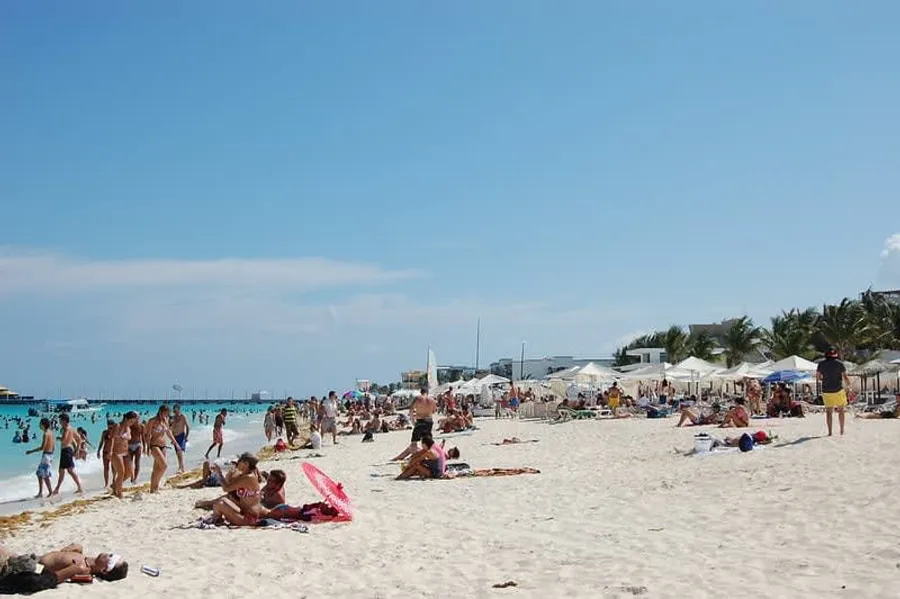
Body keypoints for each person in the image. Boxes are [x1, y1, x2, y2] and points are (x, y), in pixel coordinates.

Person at [0, 542, 128, 588]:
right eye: (112, 554)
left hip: (32, 567)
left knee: (6, 554)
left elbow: (55, 578)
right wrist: (77, 549)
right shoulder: (84, 559)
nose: (109, 554)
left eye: (110, 558)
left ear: (104, 570)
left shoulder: (83, 569)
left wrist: (73, 570)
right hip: (33, 558)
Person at [210, 452, 266, 526]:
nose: (237, 463)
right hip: (247, 513)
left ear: (246, 464)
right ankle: (217, 519)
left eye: (239, 461)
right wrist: (228, 473)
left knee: (218, 504)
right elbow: (229, 483)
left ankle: (217, 520)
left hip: (249, 518)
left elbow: (226, 488)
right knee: (223, 500)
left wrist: (219, 473)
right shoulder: (249, 475)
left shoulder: (248, 478)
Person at [392, 387, 437, 462]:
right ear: (427, 392)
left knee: (414, 441)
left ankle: (414, 458)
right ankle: (429, 456)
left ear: (421, 392)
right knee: (427, 440)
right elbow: (434, 411)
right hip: (429, 421)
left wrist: (413, 421)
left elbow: (411, 409)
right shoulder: (432, 400)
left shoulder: (418, 398)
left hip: (420, 421)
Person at [145, 405, 180, 493]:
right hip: (154, 445)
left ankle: (153, 488)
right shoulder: (152, 421)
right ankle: (155, 485)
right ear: (160, 411)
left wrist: (175, 443)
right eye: (165, 413)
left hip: (163, 446)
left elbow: (168, 433)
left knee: (157, 468)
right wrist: (147, 447)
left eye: (168, 413)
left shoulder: (165, 421)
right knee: (164, 465)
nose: (167, 415)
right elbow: (148, 435)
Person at [816, 348, 852, 436]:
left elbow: (817, 377)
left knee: (829, 412)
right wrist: (849, 385)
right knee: (841, 410)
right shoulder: (839, 363)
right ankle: (842, 430)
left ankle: (830, 432)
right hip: (838, 390)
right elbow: (845, 377)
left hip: (826, 390)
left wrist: (824, 379)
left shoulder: (821, 364)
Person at [51, 413, 83, 496]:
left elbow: (64, 440)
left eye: (60, 420)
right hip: (67, 450)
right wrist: (77, 449)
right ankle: (57, 489)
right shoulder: (71, 428)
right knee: (61, 471)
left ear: (64, 421)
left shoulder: (66, 429)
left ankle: (79, 487)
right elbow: (79, 438)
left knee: (70, 470)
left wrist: (59, 438)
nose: (59, 421)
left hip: (66, 450)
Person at [25, 418, 54, 498]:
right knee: (41, 474)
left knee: (43, 475)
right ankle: (42, 492)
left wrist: (31, 451)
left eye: (40, 424)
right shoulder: (51, 432)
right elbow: (53, 446)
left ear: (43, 425)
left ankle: (47, 492)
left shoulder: (45, 434)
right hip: (50, 455)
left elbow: (42, 447)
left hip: (46, 456)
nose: (39, 425)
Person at [111, 412, 138, 499]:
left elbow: (127, 439)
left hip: (125, 452)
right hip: (116, 452)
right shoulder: (118, 426)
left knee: (129, 473)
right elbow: (112, 439)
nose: (132, 423)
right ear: (126, 419)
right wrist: (110, 451)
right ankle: (119, 492)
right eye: (131, 421)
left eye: (133, 422)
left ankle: (115, 485)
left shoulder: (128, 428)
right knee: (121, 472)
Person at [95, 420, 116, 488]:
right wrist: (98, 451)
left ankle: (114, 480)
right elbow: (101, 442)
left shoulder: (115, 433)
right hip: (105, 452)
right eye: (108, 425)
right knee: (106, 468)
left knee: (114, 467)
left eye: (111, 425)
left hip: (113, 452)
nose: (109, 427)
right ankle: (106, 483)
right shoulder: (104, 432)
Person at [169, 404, 189, 473]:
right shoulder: (172, 418)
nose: (175, 412)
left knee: (179, 451)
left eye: (176, 410)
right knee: (177, 453)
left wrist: (186, 437)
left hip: (181, 436)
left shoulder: (183, 417)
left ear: (179, 410)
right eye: (174, 411)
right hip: (175, 437)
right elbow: (170, 428)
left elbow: (187, 427)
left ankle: (180, 468)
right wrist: (171, 439)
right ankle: (182, 468)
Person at [127, 415, 145, 484]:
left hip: (138, 445)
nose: (136, 420)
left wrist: (145, 447)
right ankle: (132, 476)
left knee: (137, 463)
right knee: (130, 463)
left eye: (137, 418)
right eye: (135, 418)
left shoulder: (141, 426)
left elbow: (143, 437)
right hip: (129, 445)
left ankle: (135, 478)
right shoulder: (129, 426)